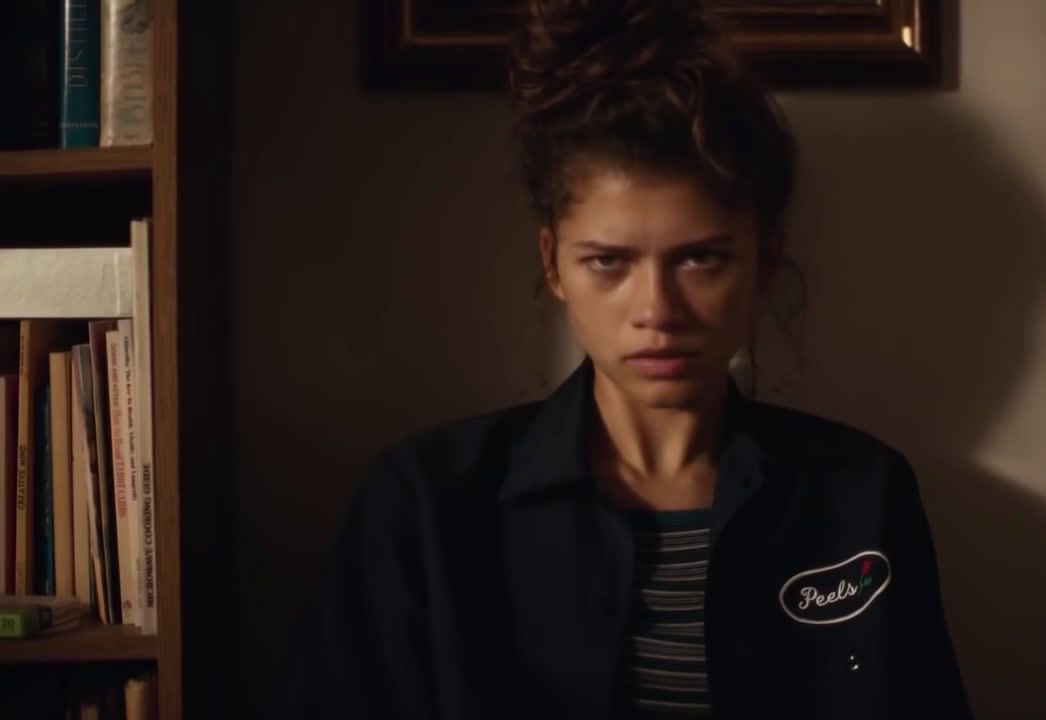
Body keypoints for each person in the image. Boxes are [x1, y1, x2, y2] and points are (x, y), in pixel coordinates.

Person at [270, 1, 971, 717]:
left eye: (701, 259)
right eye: (608, 262)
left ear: (765, 263)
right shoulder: (425, 505)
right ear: (553, 262)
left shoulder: (860, 495)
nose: (657, 310)